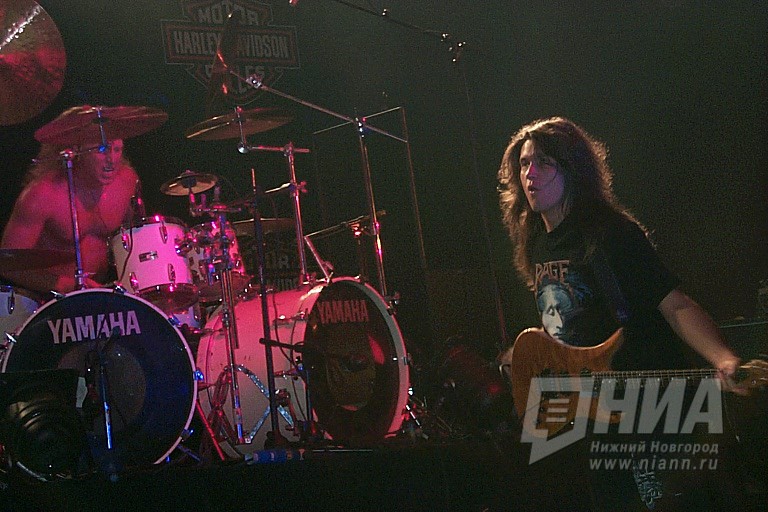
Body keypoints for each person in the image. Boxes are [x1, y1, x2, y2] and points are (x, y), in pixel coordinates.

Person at [496, 116, 746, 510]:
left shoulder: (611, 233)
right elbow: (568, 325)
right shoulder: (538, 242)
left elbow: (675, 304)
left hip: (647, 408)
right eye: (525, 163)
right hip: (594, 417)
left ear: (572, 170)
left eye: (544, 162)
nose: (530, 174)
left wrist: (723, 357)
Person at [0, 107, 140, 301]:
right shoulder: (42, 194)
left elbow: (137, 241)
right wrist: (65, 285)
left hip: (103, 294)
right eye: (102, 150)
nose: (112, 160)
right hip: (51, 299)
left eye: (117, 149)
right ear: (76, 150)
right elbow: (8, 265)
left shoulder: (127, 182)